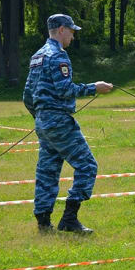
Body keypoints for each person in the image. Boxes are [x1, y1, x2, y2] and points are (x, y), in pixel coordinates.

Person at [23, 14, 113, 234]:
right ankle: (69, 219)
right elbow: (65, 90)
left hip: (44, 122)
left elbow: (27, 95)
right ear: (62, 30)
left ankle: (43, 223)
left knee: (47, 171)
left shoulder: (37, 56)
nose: (73, 36)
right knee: (87, 165)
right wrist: (94, 87)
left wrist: (41, 116)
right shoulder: (59, 56)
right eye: (72, 31)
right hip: (59, 121)